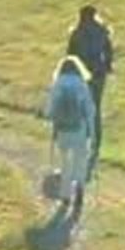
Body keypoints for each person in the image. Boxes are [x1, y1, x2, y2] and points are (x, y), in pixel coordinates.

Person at [44, 56, 97, 218]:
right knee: (79, 161)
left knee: (65, 163)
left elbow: (50, 109)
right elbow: (89, 109)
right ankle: (79, 190)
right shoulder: (82, 84)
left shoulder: (58, 83)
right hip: (79, 128)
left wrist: (52, 123)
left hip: (62, 130)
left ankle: (66, 196)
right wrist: (92, 131)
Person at [66, 5, 114, 180]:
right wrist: (108, 66)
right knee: (96, 107)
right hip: (98, 74)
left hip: (81, 75)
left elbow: (70, 55)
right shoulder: (102, 31)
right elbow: (108, 51)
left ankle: (81, 137)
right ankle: (96, 139)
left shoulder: (76, 33)